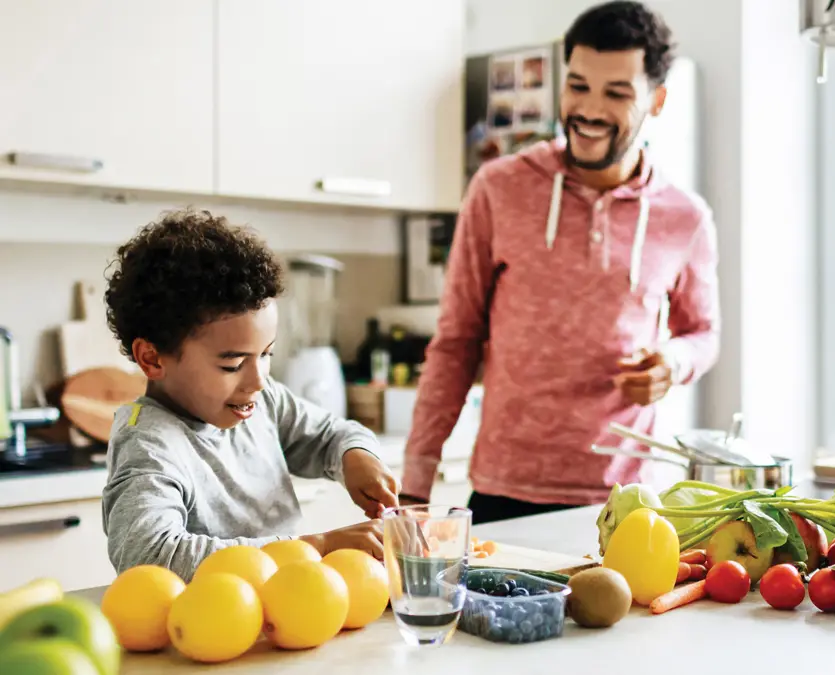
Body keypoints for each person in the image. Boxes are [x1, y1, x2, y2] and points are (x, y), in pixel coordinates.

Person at [400, 1, 721, 524]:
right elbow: (456, 341)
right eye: (577, 86)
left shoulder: (684, 218)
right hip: (503, 493)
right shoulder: (498, 188)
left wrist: (673, 364)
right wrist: (414, 484)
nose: (589, 109)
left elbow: (703, 333)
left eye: (616, 93)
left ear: (656, 100)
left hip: (624, 501)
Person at [101, 208, 399, 581]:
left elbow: (330, 435)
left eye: (267, 354)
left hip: (284, 620)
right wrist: (318, 547)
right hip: (207, 633)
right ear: (153, 358)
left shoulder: (263, 400)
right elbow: (151, 557)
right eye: (232, 364)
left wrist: (355, 456)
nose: (258, 380)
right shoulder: (148, 444)